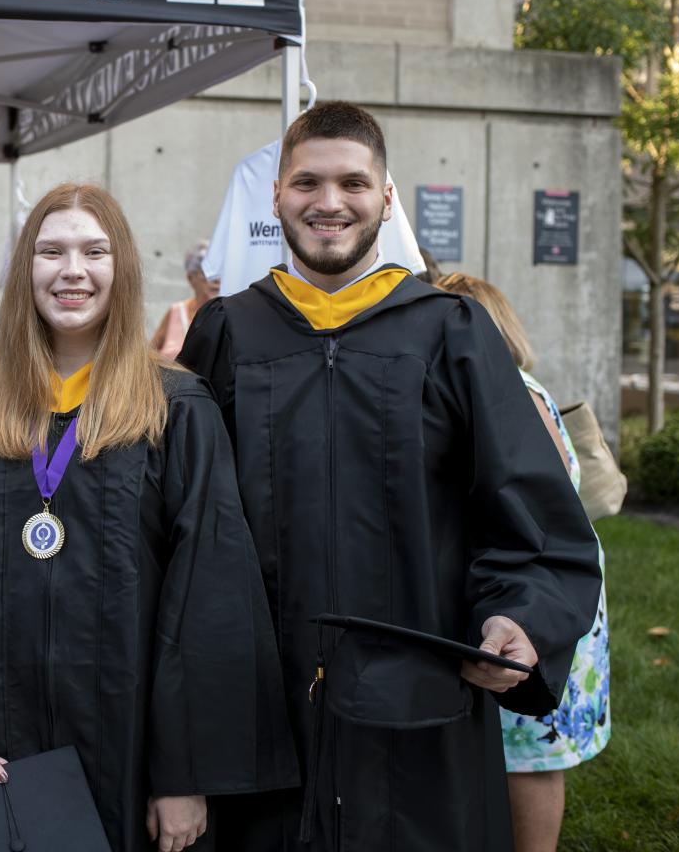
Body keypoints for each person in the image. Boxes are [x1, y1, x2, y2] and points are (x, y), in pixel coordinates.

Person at [178, 101, 602, 851]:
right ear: (276, 196)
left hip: (417, 705)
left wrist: (523, 619)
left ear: (387, 198)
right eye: (307, 182)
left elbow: (535, 519)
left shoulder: (451, 333)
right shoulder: (229, 333)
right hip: (254, 702)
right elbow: (176, 517)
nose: (330, 202)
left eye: (353, 183)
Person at [0, 183, 299, 852]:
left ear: (121, 269)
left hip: (136, 760)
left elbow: (211, 602)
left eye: (94, 251)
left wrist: (185, 773)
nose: (73, 270)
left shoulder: (177, 411)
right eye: (51, 251)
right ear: (25, 271)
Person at [436, 272, 610, 852]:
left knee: (532, 757)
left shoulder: (518, 394)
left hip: (545, 606)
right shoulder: (512, 390)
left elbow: (541, 508)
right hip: (534, 596)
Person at [150, 241, 218, 360]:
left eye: (219, 272)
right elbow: (149, 354)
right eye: (207, 272)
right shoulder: (176, 312)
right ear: (190, 277)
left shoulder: (229, 316)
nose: (216, 280)